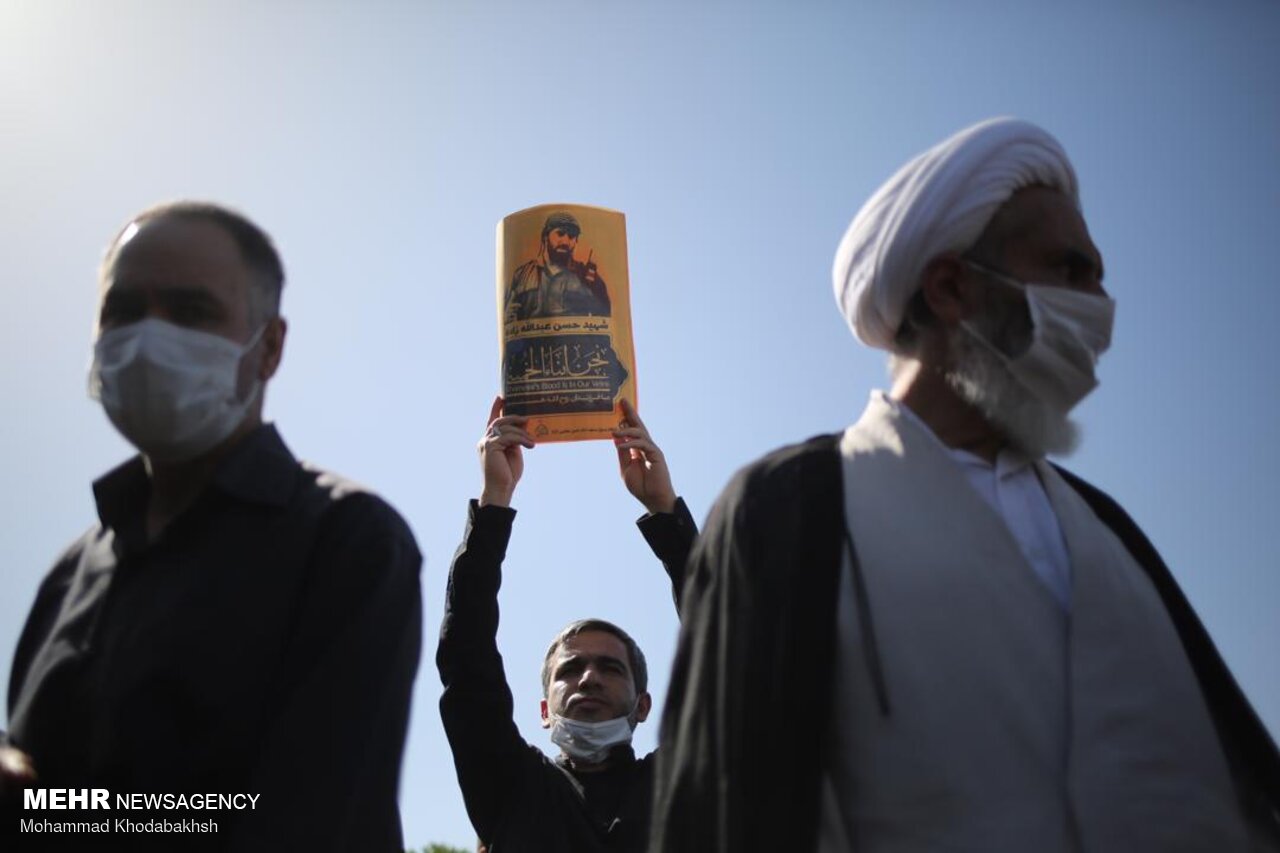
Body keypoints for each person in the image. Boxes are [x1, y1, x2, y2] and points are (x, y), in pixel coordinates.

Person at [649, 118, 1280, 852]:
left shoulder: (1107, 529)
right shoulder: (792, 509)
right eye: (1071, 271)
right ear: (951, 287)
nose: (1100, 307)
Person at [1, 202, 422, 850]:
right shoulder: (69, 573)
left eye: (191, 311)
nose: (148, 338)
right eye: (123, 311)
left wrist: (46, 810)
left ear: (269, 347)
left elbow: (301, 824)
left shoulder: (349, 540)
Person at [438, 397, 695, 852]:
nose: (589, 678)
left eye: (611, 668)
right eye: (570, 670)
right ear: (544, 710)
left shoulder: (681, 784)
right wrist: (494, 499)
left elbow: (732, 658)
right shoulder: (510, 785)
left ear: (643, 705)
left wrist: (664, 510)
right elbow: (466, 655)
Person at [505, 211, 611, 321]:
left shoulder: (587, 276)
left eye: (571, 236)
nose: (565, 241)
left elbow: (604, 318)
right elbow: (507, 316)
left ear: (576, 241)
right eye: (560, 234)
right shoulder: (523, 275)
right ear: (546, 236)